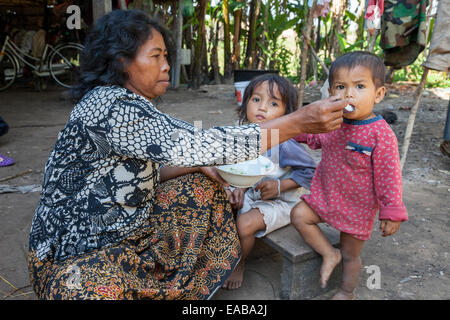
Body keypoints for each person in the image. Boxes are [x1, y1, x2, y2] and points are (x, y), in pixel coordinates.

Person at [27, 10, 348, 300]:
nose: (167, 65)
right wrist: (297, 122)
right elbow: (201, 143)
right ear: (121, 60)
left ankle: (177, 274)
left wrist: (199, 165)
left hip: (122, 229)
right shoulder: (112, 106)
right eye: (155, 56)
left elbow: (163, 162)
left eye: (166, 55)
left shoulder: (131, 104)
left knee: (204, 184)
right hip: (71, 254)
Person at [290, 51, 408, 300]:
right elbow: (314, 137)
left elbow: (390, 177)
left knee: (350, 254)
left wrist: (391, 210)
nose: (349, 94)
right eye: (341, 87)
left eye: (360, 86)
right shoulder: (333, 122)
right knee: (298, 215)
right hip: (327, 197)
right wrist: (293, 129)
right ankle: (327, 253)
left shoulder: (381, 135)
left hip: (358, 207)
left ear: (378, 94)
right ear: (331, 92)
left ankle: (346, 291)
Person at [221, 74, 316, 290]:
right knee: (220, 203)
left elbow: (312, 171)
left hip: (283, 202)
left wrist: (280, 186)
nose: (262, 108)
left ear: (286, 113)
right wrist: (237, 188)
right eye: (256, 100)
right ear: (245, 103)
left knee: (243, 225)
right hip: (254, 195)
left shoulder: (283, 143)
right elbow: (242, 168)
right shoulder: (243, 134)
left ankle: (239, 263)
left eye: (273, 103)